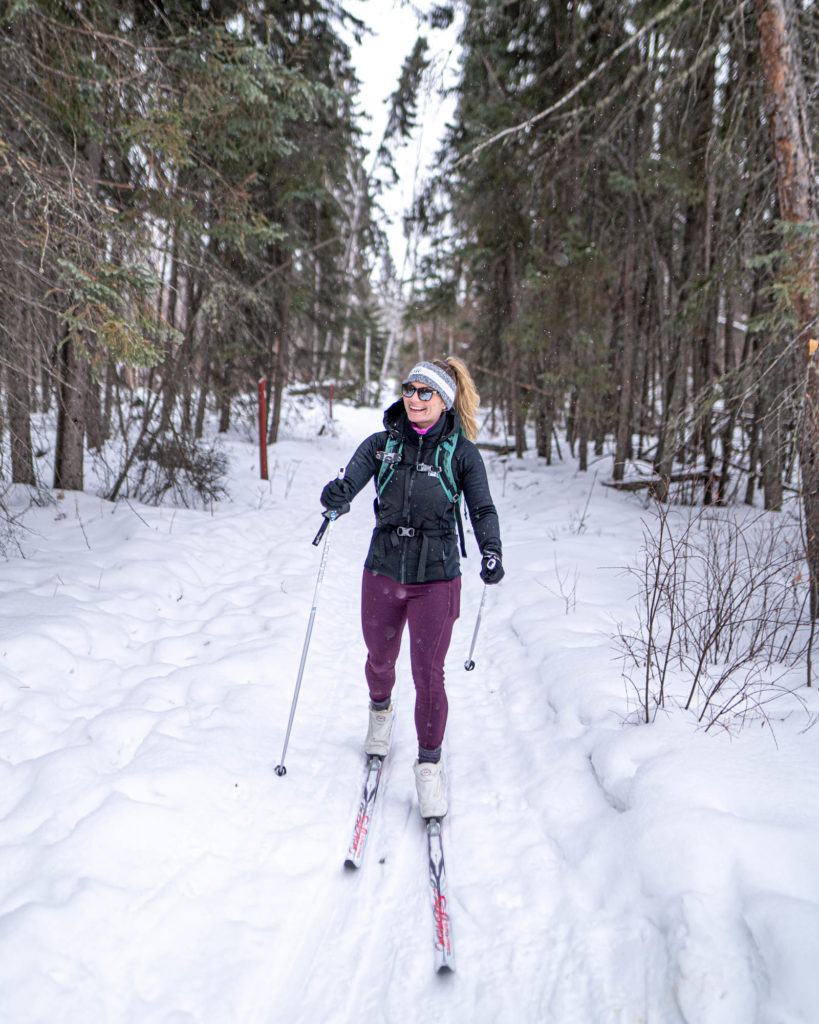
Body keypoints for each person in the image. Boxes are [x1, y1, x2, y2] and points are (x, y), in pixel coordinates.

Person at [319, 357, 504, 819]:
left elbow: (481, 509)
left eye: (426, 392)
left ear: (444, 400)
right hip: (383, 567)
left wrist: (491, 550)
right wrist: (336, 497)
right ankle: (380, 716)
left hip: (437, 575)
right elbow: (349, 482)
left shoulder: (462, 453)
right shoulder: (382, 445)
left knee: (428, 675)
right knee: (379, 659)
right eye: (409, 388)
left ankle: (428, 767)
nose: (415, 398)